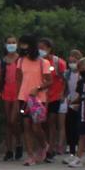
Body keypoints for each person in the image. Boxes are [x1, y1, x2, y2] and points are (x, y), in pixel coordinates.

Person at [17, 35, 50, 163]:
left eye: (25, 45)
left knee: (36, 126)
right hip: (23, 98)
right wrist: (17, 97)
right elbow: (19, 79)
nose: (23, 47)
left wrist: (38, 88)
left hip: (38, 98)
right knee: (26, 126)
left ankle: (43, 145)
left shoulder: (43, 62)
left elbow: (49, 80)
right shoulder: (20, 61)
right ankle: (30, 155)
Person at [0, 38, 23, 162]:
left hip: (18, 91)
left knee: (13, 120)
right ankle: (9, 150)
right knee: (8, 122)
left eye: (13, 42)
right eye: (9, 43)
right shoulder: (3, 61)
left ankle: (19, 143)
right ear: (5, 45)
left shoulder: (20, 59)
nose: (11, 45)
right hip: (6, 91)